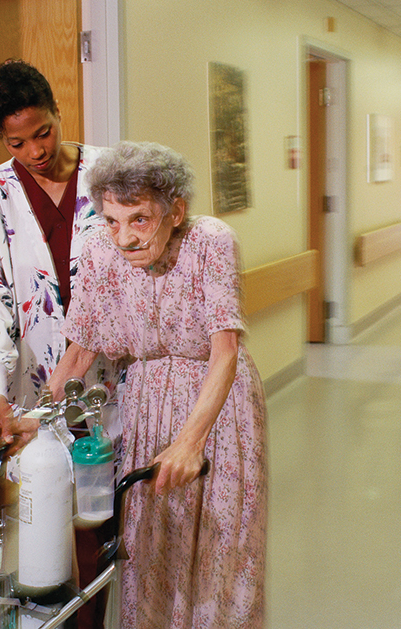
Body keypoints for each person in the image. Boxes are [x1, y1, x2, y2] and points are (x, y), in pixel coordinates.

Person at [48, 141, 268, 628]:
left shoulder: (210, 241)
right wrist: (37, 416)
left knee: (222, 542)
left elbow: (225, 349)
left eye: (139, 219)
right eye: (111, 219)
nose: (123, 238)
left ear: (176, 211)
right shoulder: (99, 249)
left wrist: (191, 442)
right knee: (150, 543)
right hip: (147, 403)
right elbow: (81, 349)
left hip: (218, 405)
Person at [0, 59, 118, 629]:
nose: (35, 152)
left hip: (119, 380)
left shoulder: (111, 175)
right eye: (17, 142)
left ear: (58, 112)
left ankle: (107, 616)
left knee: (109, 518)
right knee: (50, 517)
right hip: (39, 388)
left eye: (43, 132)